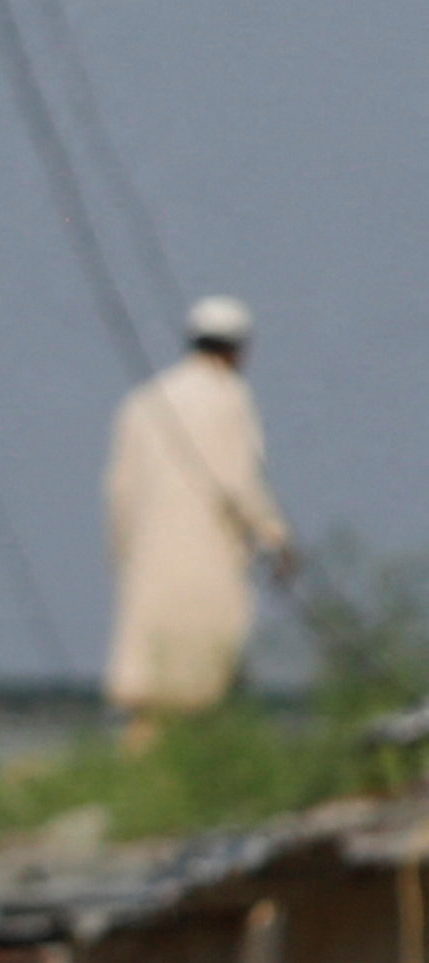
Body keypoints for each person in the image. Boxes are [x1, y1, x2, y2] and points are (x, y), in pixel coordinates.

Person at [106, 295, 293, 739]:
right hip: (210, 561)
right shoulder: (230, 399)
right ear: (238, 349)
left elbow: (119, 495)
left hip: (149, 561)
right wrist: (275, 537)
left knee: (149, 692)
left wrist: (122, 557)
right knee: (206, 683)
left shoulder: (143, 401)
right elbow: (240, 484)